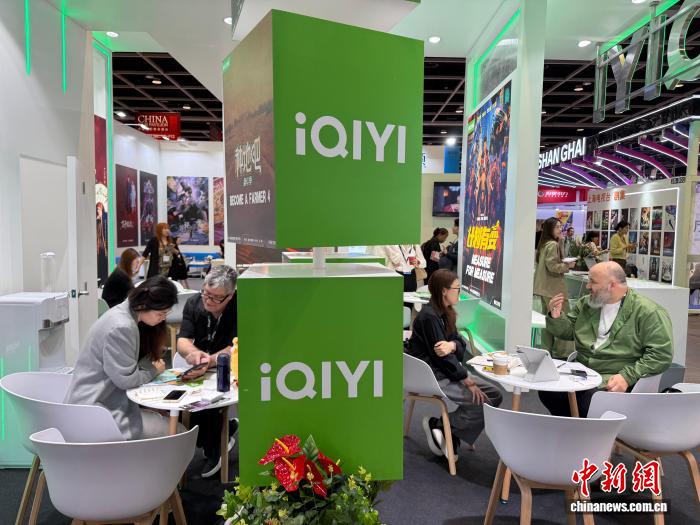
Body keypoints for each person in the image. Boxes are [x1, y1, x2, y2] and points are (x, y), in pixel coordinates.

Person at [539, 262, 673, 417]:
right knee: (549, 390)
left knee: (587, 400)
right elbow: (568, 332)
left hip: (614, 376)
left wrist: (627, 376)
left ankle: (583, 428)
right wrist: (556, 317)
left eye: (593, 282)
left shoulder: (649, 312)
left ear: (612, 285)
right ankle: (572, 427)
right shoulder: (587, 304)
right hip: (582, 372)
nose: (588, 286)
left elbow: (661, 354)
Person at [65, 276, 178, 439]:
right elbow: (126, 380)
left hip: (96, 402)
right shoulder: (122, 326)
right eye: (161, 313)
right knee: (177, 431)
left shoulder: (123, 314)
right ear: (144, 305)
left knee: (166, 420)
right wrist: (154, 370)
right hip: (96, 413)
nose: (163, 318)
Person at [406, 269, 502, 459]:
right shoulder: (430, 317)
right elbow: (441, 359)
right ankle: (446, 429)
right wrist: (466, 379)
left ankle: (445, 427)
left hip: (447, 370)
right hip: (433, 375)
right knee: (482, 402)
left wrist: (452, 345)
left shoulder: (446, 313)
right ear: (444, 291)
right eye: (457, 288)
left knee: (495, 395)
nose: (459, 292)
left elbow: (459, 344)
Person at [176, 265, 239, 477]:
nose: (208, 300)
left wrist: (210, 361)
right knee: (185, 403)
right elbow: (183, 340)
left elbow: (238, 346)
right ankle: (222, 432)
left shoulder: (241, 306)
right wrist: (193, 354)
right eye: (206, 292)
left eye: (216, 297)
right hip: (201, 366)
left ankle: (215, 446)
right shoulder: (194, 303)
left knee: (212, 401)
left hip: (231, 366)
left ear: (230, 296)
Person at [533, 217, 576, 357]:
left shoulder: (545, 244)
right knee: (563, 321)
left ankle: (547, 350)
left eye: (560, 226)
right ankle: (563, 353)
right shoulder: (552, 245)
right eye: (557, 227)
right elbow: (553, 266)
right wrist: (568, 266)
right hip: (554, 289)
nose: (560, 229)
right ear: (549, 229)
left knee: (549, 321)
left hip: (545, 288)